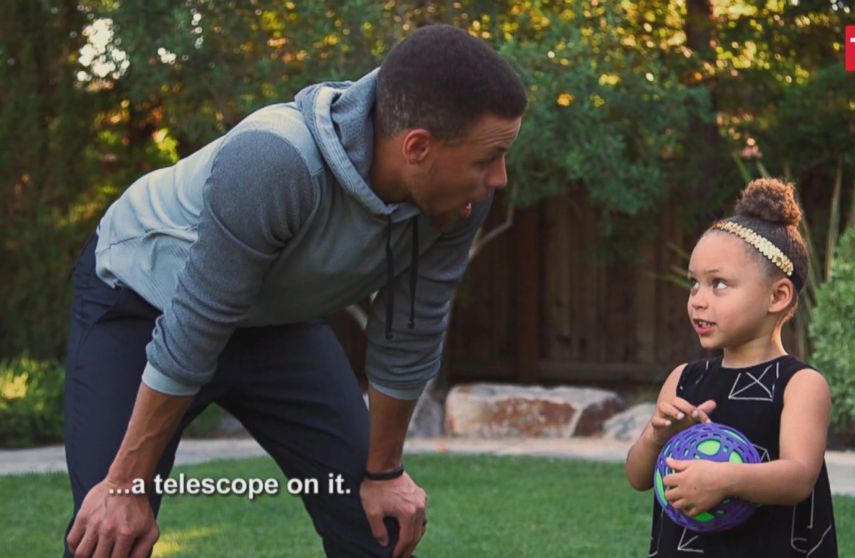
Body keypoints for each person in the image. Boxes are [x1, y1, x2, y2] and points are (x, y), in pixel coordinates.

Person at [63, 24, 526, 558]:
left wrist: (385, 471)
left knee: (379, 523)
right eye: (486, 158)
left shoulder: (459, 199)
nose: (499, 178)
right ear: (417, 146)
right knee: (110, 533)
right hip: (143, 304)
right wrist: (128, 484)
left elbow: (411, 333)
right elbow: (196, 325)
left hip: (274, 322)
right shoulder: (274, 160)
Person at [625, 178, 838, 557]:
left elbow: (798, 477)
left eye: (718, 284)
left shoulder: (800, 385)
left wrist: (725, 479)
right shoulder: (685, 379)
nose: (698, 301)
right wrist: (656, 438)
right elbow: (638, 477)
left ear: (778, 295)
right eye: (694, 284)